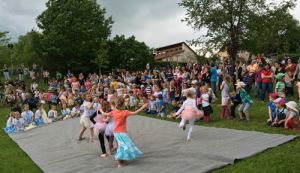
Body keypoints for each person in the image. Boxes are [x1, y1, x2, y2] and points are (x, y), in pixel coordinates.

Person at [99, 96, 148, 168]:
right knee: (123, 146)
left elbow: (105, 114)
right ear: (123, 104)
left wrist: (101, 110)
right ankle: (120, 162)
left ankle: (122, 160)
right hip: (122, 132)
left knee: (123, 146)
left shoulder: (113, 112)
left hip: (116, 132)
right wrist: (143, 107)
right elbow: (135, 112)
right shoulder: (125, 112)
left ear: (115, 105)